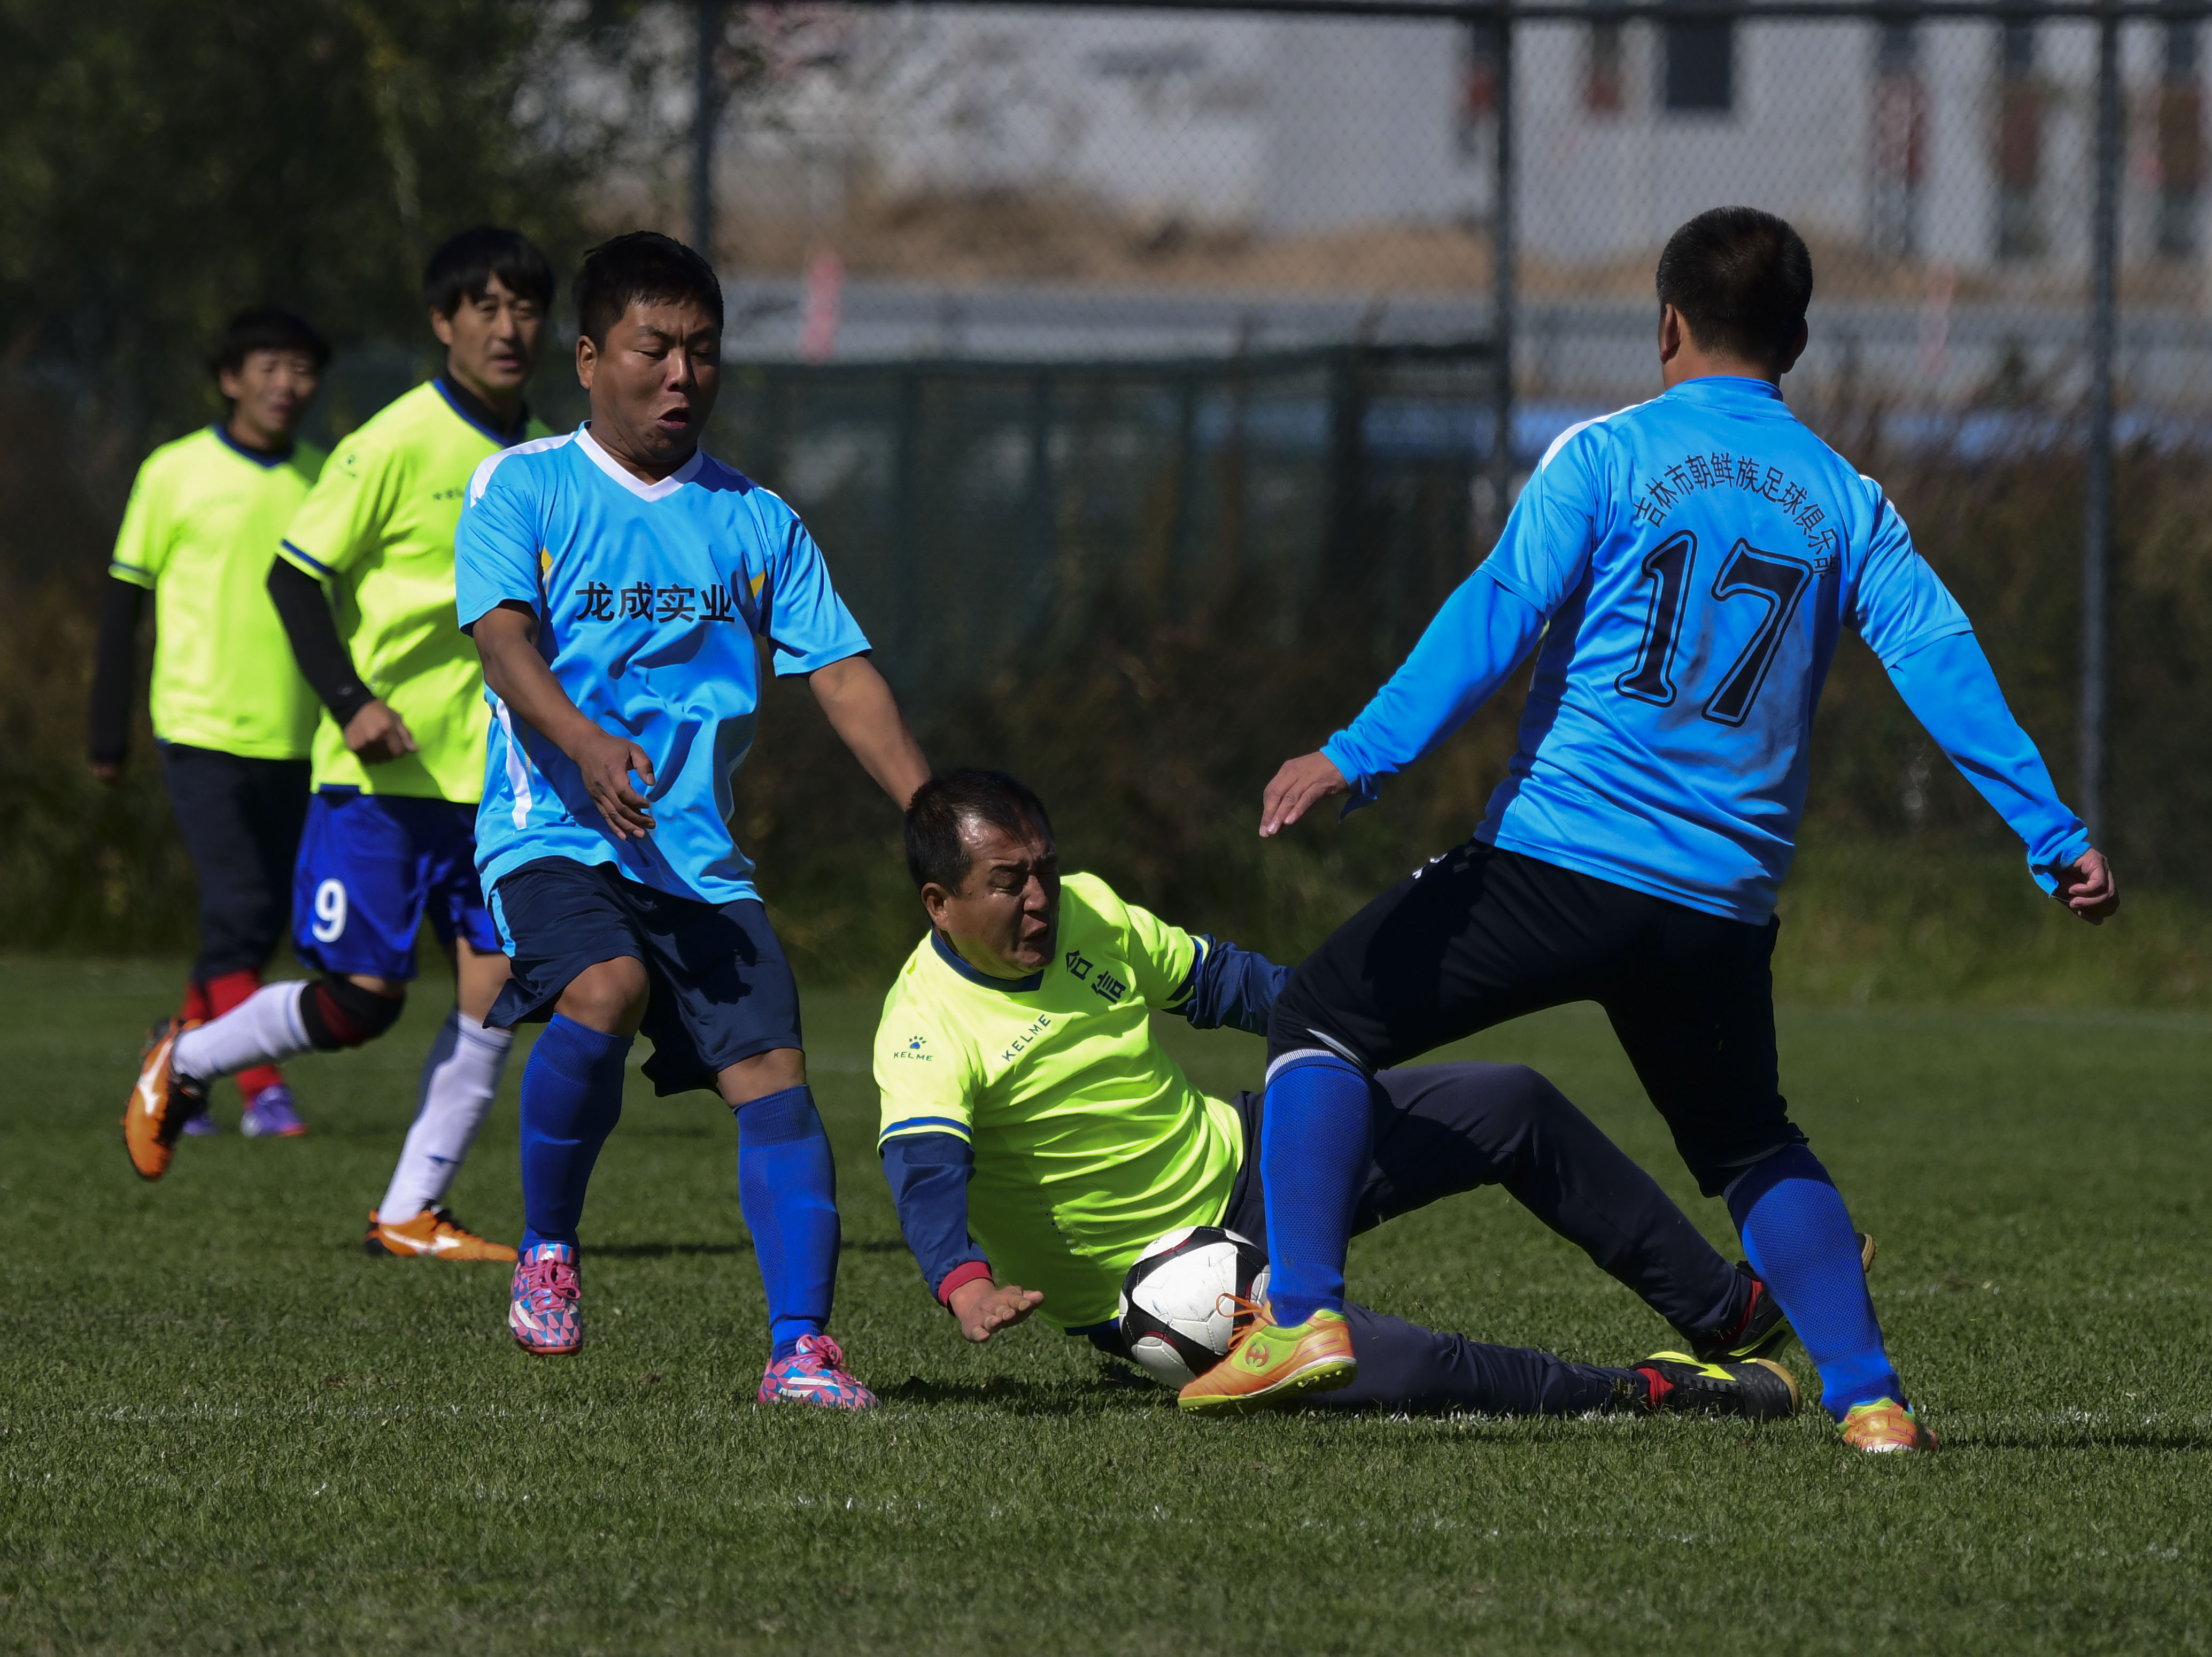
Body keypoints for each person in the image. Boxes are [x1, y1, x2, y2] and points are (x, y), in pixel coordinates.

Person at [1189, 207, 2117, 1451]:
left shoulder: (1606, 454)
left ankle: (1302, 1313)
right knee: (1750, 1141)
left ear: (1666, 323)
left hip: (1555, 864)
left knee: (1322, 1012)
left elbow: (1499, 607)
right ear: (1795, 340)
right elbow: (1938, 659)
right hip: (1716, 906)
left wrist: (1359, 752)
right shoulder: (1846, 500)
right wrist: (2049, 831)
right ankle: (1870, 1399)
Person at [874, 768, 1810, 1422]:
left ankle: (1724, 1310)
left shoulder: (1089, 908)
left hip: (1247, 1151)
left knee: (1511, 1103)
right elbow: (925, 1170)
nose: (1039, 898)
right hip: (1165, 1282)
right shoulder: (922, 1027)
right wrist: (964, 1283)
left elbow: (1224, 984)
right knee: (1383, 1362)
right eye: (1007, 883)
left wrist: (1344, 1023)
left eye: (1042, 868)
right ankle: (1648, 1392)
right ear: (938, 903)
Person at [456, 231, 929, 1407]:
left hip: (698, 862)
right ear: (588, 359)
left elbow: (840, 674)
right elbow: (504, 643)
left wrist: (931, 813)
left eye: (702, 351)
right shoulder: (522, 485)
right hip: (553, 831)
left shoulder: (755, 518)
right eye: (653, 348)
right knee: (604, 986)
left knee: (775, 1075)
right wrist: (583, 744)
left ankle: (800, 1349)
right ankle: (548, 1247)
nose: (681, 375)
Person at [124, 227, 556, 1270]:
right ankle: (187, 1058)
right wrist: (353, 701)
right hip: (380, 780)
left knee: (499, 992)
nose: (508, 328)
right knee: (363, 1004)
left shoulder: (548, 456)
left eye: (526, 308)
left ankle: (411, 1208)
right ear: (442, 322)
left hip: (496, 783)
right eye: (485, 308)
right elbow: (293, 575)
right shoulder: (393, 440)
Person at [95, 307, 329, 1139]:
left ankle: (177, 1062)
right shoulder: (173, 471)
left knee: (259, 927)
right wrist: (107, 732)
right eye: (268, 366)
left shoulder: (326, 478)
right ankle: (264, 1093)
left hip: (299, 738)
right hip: (199, 730)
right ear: (231, 378)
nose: (285, 384)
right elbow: (124, 602)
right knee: (240, 910)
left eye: (301, 368)